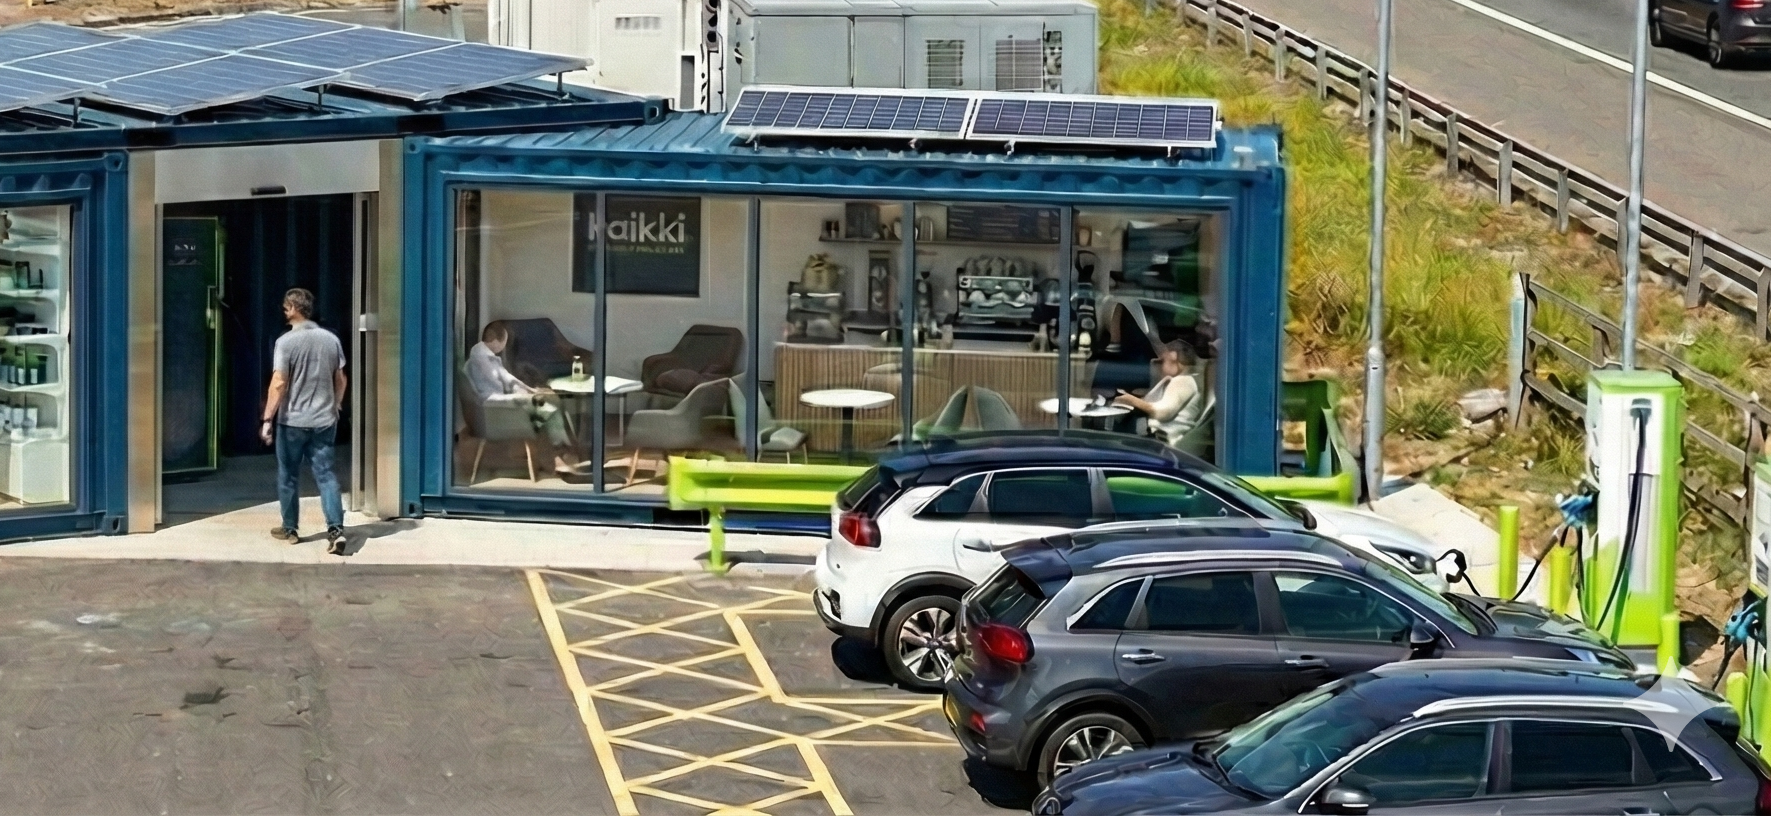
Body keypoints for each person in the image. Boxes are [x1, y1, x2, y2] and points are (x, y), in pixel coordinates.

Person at [260, 288, 348, 554]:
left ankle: (290, 528)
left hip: (292, 422)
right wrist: (336, 404)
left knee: (288, 476)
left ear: (294, 309)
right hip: (324, 420)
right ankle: (336, 529)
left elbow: (279, 382)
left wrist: (267, 419)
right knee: (326, 475)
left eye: (287, 306)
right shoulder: (330, 339)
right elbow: (340, 378)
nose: (284, 310)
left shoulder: (286, 342)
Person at [466, 323, 583, 478]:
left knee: (549, 406)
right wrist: (524, 395)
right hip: (496, 411)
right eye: (504, 342)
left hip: (498, 406)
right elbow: (504, 381)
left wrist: (528, 391)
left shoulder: (483, 357)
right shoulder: (482, 360)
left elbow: (507, 380)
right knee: (547, 409)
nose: (504, 346)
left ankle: (562, 452)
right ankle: (560, 454)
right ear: (495, 341)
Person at [1113, 341, 1207, 447]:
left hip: (1163, 441)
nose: (1159, 365)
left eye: (1163, 361)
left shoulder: (1184, 381)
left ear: (1173, 356)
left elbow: (1162, 413)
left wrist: (1131, 400)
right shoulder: (1175, 380)